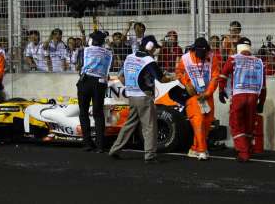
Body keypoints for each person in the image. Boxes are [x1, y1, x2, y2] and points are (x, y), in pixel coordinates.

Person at [109, 35, 174, 163]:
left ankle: (114, 149)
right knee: (149, 126)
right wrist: (173, 77)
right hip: (144, 97)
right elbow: (162, 79)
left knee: (129, 124)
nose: (155, 50)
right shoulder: (148, 60)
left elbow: (120, 77)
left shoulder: (129, 57)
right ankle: (149, 155)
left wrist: (130, 87)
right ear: (149, 46)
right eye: (154, 47)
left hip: (132, 96)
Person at [218, 37, 267, 162]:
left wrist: (220, 91)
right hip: (253, 96)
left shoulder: (233, 59)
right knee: (248, 123)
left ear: (238, 47)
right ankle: (248, 147)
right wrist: (261, 101)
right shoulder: (259, 62)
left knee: (236, 123)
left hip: (239, 95)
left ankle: (243, 152)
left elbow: (223, 75)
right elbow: (263, 85)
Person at [175, 37, 220, 160]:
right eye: (200, 51)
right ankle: (202, 151)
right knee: (198, 121)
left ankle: (194, 148)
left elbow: (215, 77)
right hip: (193, 95)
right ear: (194, 49)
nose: (202, 54)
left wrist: (208, 93)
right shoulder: (185, 58)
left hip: (206, 96)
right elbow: (178, 72)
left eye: (204, 51)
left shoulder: (212, 57)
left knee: (207, 123)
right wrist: (187, 84)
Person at [77, 30, 113, 153]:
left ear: (92, 41)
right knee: (98, 114)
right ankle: (100, 145)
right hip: (99, 83)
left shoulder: (86, 50)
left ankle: (87, 143)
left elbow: (80, 65)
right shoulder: (108, 53)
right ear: (102, 42)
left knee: (83, 112)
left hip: (85, 81)